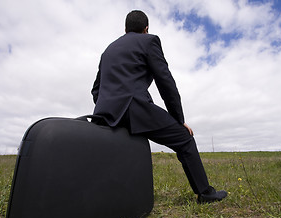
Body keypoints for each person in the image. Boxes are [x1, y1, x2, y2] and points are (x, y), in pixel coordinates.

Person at [91, 10, 227, 203]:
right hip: (134, 108)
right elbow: (166, 83)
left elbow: (96, 90)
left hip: (105, 114)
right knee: (184, 139)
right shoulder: (149, 41)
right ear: (146, 29)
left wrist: (109, 111)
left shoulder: (108, 50)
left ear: (125, 29)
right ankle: (205, 193)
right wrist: (179, 120)